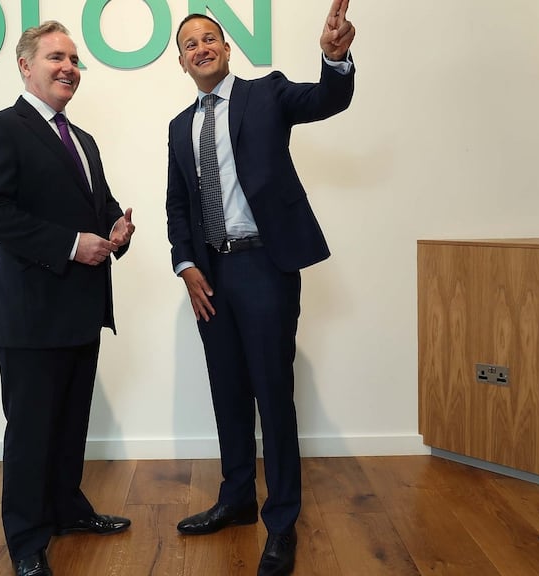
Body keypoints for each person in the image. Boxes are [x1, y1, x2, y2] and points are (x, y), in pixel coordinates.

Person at [165, 1, 355, 574]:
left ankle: (282, 521)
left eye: (209, 39)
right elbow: (178, 206)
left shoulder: (265, 94)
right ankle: (237, 499)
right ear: (181, 61)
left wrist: (334, 58)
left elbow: (328, 99)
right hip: (209, 276)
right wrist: (185, 266)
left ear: (226, 50)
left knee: (272, 393)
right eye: (189, 44)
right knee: (227, 391)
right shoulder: (180, 127)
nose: (200, 48)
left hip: (262, 265)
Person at [0, 20, 134, 576]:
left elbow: (98, 202)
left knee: (69, 424)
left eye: (74, 59)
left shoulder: (82, 139)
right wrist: (69, 245)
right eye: (55, 57)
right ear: (25, 66)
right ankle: (26, 538)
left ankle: (67, 510)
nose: (69, 67)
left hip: (82, 309)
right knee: (32, 430)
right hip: (30, 313)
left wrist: (115, 226)